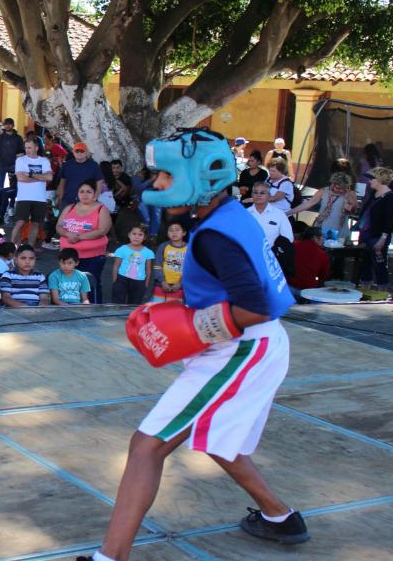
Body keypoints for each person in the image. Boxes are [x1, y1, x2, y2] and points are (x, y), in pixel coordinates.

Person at [83, 128, 306, 561]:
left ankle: (110, 557)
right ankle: (281, 518)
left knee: (147, 445)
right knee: (217, 438)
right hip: (252, 345)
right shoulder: (228, 214)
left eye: (166, 175)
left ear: (197, 177)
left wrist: (191, 327)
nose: (158, 184)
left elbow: (255, 306)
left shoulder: (215, 236)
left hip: (243, 348)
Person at [56, 179, 112, 303]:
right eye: (81, 191)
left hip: (92, 256)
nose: (85, 194)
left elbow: (102, 230)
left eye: (88, 192)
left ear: (95, 194)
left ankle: (93, 308)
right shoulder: (70, 207)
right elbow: (59, 226)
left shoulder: (101, 209)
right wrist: (67, 234)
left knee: (90, 283)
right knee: (69, 284)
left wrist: (78, 237)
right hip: (68, 256)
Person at [356, 167, 393, 291]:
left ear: (379, 179)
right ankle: (365, 287)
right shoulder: (373, 193)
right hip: (365, 233)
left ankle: (382, 290)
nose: (369, 181)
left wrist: (383, 239)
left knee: (379, 264)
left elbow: (389, 221)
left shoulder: (390, 197)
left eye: (372, 179)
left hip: (378, 236)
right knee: (365, 262)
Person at [287, 170, 358, 242]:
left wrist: (350, 207)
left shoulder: (350, 193)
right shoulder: (324, 191)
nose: (340, 191)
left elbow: (355, 210)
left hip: (340, 231)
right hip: (322, 228)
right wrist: (288, 213)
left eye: (343, 189)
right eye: (338, 188)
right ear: (332, 184)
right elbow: (309, 204)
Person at [11, 138, 53, 250]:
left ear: (36, 148)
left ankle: (29, 248)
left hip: (40, 198)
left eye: (29, 147)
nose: (27, 150)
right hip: (24, 197)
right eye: (26, 148)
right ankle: (11, 248)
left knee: (35, 224)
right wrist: (41, 177)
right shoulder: (21, 160)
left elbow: (49, 177)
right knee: (20, 222)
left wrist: (30, 174)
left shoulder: (44, 161)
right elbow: (21, 178)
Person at [110, 225, 154, 305]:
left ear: (144, 237)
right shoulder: (122, 249)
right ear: (129, 235)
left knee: (134, 304)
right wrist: (115, 281)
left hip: (139, 281)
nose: (136, 237)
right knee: (117, 303)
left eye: (140, 234)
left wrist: (146, 284)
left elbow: (148, 269)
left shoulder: (148, 252)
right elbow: (116, 266)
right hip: (121, 279)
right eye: (134, 234)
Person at [0, 118, 24, 219]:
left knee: (13, 187)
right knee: (0, 187)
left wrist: (17, 160)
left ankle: (11, 207)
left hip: (13, 165)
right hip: (1, 165)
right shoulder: (0, 137)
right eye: (6, 124)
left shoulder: (18, 138)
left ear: (13, 125)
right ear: (4, 125)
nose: (8, 126)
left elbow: (21, 150)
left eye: (10, 124)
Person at [58, 142, 105, 210]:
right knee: (64, 217)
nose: (79, 153)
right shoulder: (66, 165)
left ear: (86, 153)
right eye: (77, 151)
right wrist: (60, 198)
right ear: (73, 152)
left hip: (87, 201)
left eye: (82, 151)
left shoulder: (94, 165)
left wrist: (95, 197)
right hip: (67, 200)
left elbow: (100, 182)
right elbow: (62, 183)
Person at [151, 220, 187, 302]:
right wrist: (162, 282)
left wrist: (180, 283)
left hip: (179, 287)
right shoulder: (163, 246)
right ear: (167, 234)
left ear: (184, 233)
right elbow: (157, 266)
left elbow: (190, 270)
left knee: (174, 308)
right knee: (157, 307)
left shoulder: (188, 248)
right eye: (171, 230)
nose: (174, 232)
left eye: (177, 230)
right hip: (161, 285)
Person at [289, 227, 330, 300]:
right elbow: (323, 276)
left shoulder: (292, 246)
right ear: (315, 238)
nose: (323, 239)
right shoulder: (322, 254)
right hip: (308, 290)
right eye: (322, 237)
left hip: (289, 287)